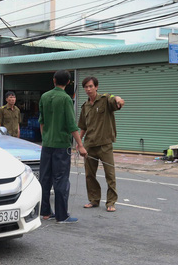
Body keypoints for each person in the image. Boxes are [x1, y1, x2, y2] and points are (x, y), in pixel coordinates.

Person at [38, 70, 86, 224]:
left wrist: (45, 138)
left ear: (53, 80)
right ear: (69, 82)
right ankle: (61, 215)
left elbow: (42, 122)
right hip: (61, 146)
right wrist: (80, 144)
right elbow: (72, 125)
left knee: (45, 179)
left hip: (47, 144)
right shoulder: (66, 99)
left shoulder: (44, 97)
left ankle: (45, 212)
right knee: (61, 180)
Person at [78, 76, 124, 213]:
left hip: (105, 144)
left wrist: (119, 99)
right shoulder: (85, 106)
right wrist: (79, 143)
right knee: (89, 175)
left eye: (91, 86)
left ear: (96, 87)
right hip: (89, 145)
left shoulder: (105, 100)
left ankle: (111, 202)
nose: (88, 89)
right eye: (86, 87)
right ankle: (94, 199)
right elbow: (83, 126)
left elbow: (115, 101)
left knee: (110, 174)